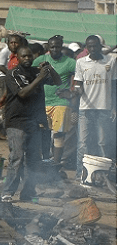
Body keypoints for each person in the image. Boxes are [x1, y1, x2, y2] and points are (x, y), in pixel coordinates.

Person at [2, 46, 61, 201]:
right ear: (18, 58)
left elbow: (57, 81)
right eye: (24, 57)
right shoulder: (13, 73)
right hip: (16, 120)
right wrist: (40, 78)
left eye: (29, 56)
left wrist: (50, 69)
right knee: (17, 157)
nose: (27, 59)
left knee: (34, 159)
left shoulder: (36, 71)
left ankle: (28, 192)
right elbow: (22, 93)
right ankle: (8, 191)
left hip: (34, 121)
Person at [73, 35, 117, 181]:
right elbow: (78, 82)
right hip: (85, 109)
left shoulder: (111, 61)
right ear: (86, 48)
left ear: (100, 46)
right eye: (89, 46)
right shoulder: (80, 62)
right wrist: (78, 90)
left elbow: (115, 86)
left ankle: (104, 175)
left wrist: (114, 107)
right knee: (82, 143)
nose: (92, 49)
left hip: (104, 108)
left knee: (102, 142)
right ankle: (81, 173)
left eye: (95, 46)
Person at [32, 35, 77, 163]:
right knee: (42, 134)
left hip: (60, 103)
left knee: (58, 135)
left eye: (57, 47)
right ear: (48, 47)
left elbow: (80, 77)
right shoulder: (40, 59)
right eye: (52, 47)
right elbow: (29, 72)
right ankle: (43, 162)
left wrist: (71, 92)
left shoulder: (69, 62)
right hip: (42, 102)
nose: (55, 49)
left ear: (61, 47)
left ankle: (56, 165)